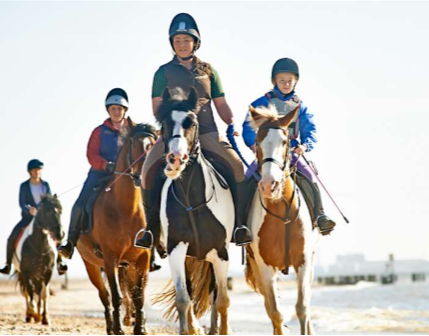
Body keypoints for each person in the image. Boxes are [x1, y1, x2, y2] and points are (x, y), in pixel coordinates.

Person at [135, 13, 252, 250]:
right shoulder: (162, 72)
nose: (181, 45)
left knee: (238, 167)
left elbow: (220, 102)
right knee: (147, 170)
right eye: (177, 41)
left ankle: (240, 225)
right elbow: (157, 107)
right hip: (173, 134)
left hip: (207, 131)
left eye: (186, 40)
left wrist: (230, 122)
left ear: (195, 43)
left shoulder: (209, 71)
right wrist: (171, 121)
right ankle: (150, 230)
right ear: (172, 45)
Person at [242, 58, 336, 235]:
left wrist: (305, 146)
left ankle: (320, 215)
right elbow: (248, 129)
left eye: (289, 81)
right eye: (282, 80)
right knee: (247, 178)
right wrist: (254, 146)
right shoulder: (260, 103)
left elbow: (310, 129)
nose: (286, 84)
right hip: (267, 152)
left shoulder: (300, 106)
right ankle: (241, 224)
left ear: (296, 82)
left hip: (291, 151)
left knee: (310, 175)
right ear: (274, 81)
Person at [58, 88, 131, 259]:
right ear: (108, 110)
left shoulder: (132, 131)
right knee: (79, 205)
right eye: (113, 108)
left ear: (124, 111)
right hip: (100, 174)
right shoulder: (99, 131)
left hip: (125, 177)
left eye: (119, 109)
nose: (116, 111)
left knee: (149, 200)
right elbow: (91, 154)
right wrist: (106, 165)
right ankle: (70, 243)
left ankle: (156, 245)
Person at [0, 160, 68, 275]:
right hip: (28, 218)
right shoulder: (24, 186)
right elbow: (22, 202)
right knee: (11, 237)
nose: (37, 172)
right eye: (35, 170)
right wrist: (29, 209)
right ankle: (8, 264)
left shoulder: (45, 185)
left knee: (57, 233)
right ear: (30, 172)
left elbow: (49, 201)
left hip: (43, 219)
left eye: (39, 170)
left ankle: (60, 262)